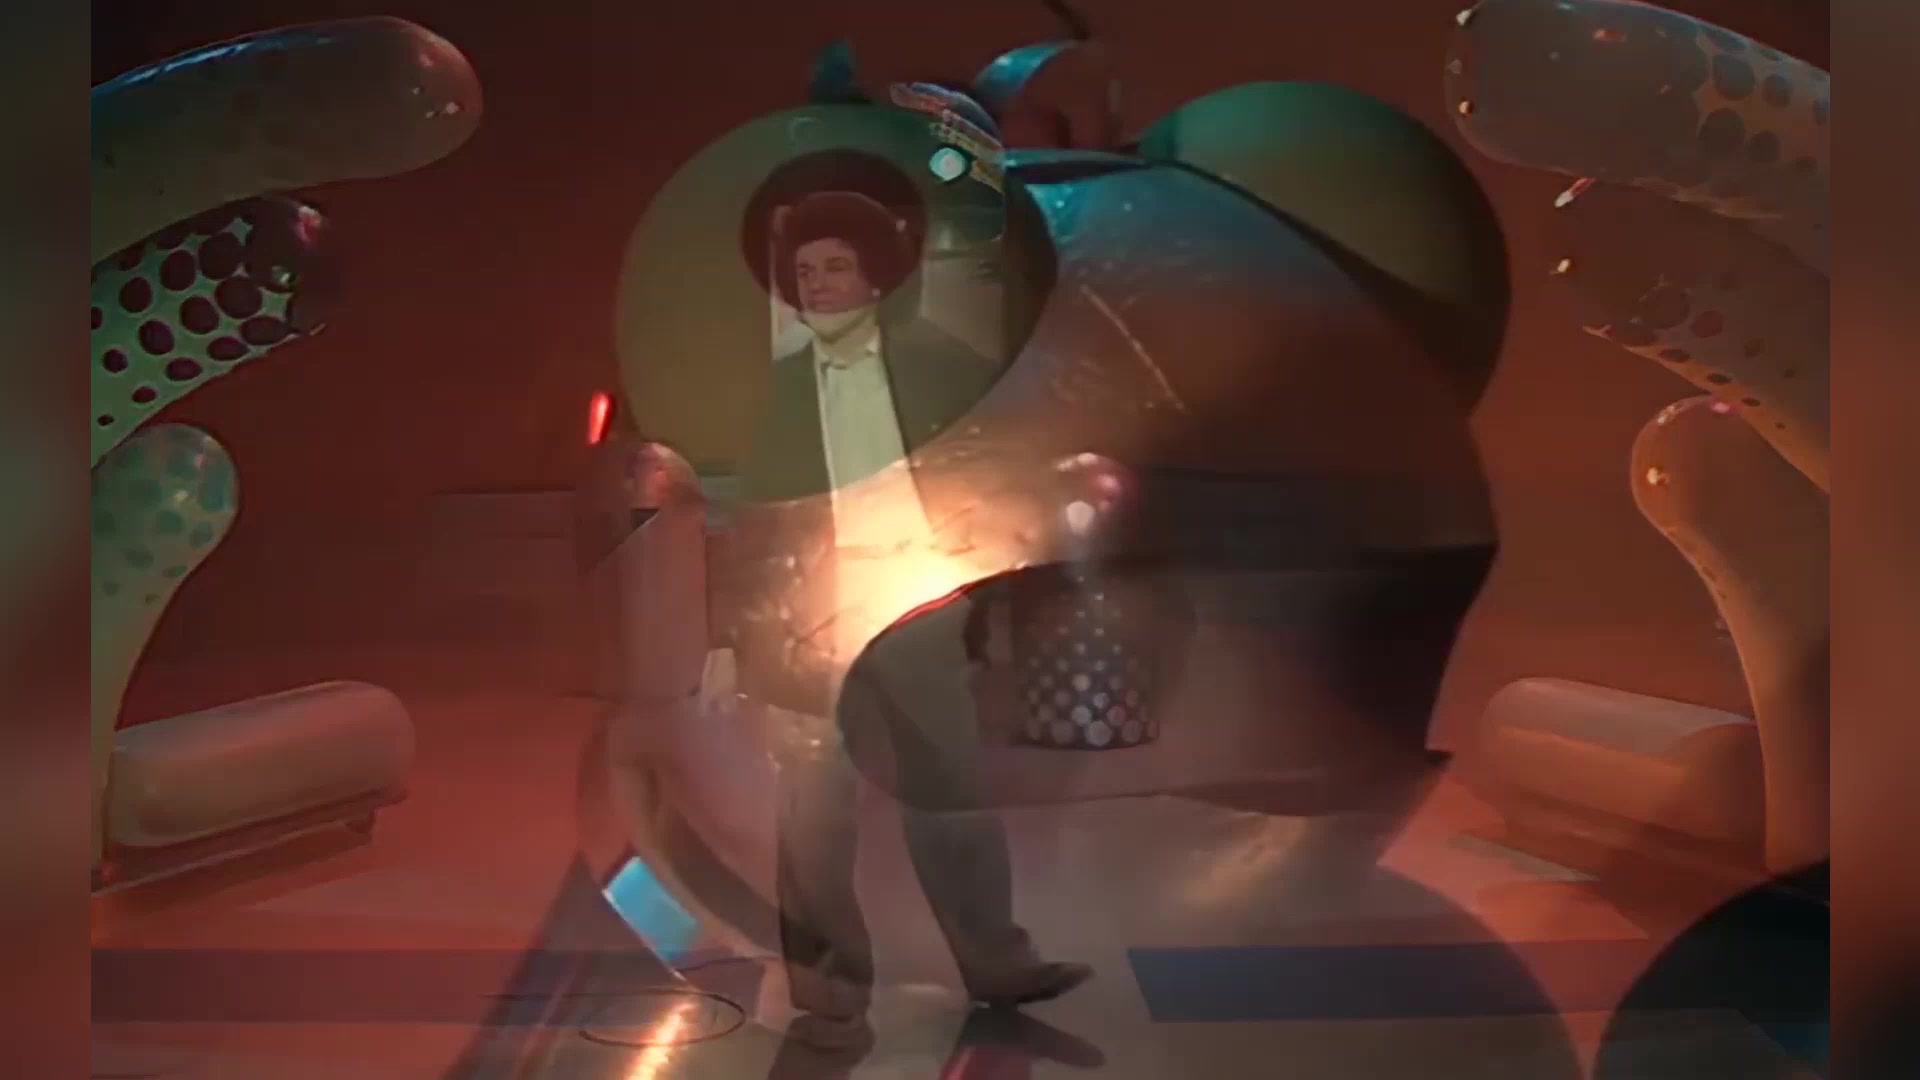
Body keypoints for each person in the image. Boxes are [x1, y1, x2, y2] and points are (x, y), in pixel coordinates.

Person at [738, 187, 1092, 1053]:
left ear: (874, 280)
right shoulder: (778, 390)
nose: (819, 284)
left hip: (918, 608)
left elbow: (993, 474)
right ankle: (829, 996)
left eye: (836, 267)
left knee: (952, 796)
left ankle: (997, 964)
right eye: (805, 272)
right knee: (812, 820)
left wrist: (980, 594)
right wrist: (742, 639)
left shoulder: (935, 365)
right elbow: (758, 521)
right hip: (814, 624)